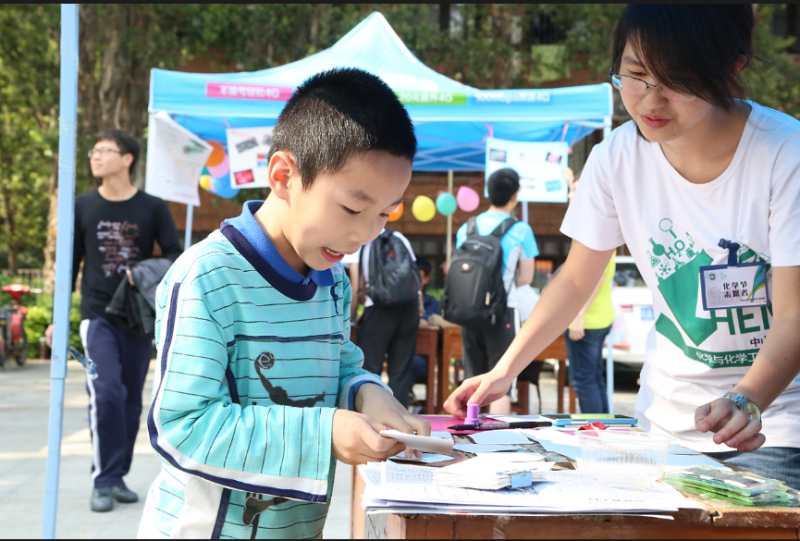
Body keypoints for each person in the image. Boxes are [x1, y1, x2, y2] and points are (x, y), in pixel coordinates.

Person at [445, 4, 800, 489]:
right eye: (635, 75)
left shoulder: (784, 153)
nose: (651, 100)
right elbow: (574, 278)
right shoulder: (615, 158)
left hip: (774, 428)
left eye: (678, 80)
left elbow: (795, 311)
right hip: (664, 430)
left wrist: (747, 398)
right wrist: (505, 371)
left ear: (730, 69)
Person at [137, 68, 430, 539]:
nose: (364, 235)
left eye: (384, 213)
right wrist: (324, 432)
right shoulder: (208, 277)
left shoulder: (331, 278)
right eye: (353, 209)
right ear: (283, 175)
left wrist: (364, 391)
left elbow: (339, 364)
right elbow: (183, 427)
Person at [45, 129, 183, 512]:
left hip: (137, 317)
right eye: (95, 150)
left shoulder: (152, 207)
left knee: (130, 402)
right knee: (105, 393)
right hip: (97, 315)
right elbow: (69, 265)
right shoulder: (82, 205)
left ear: (127, 159)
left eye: (105, 150)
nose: (96, 155)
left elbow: (176, 255)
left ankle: (117, 474)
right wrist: (61, 318)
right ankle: (102, 481)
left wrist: (143, 271)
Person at [454, 168, 537, 415]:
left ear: (488, 193)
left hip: (469, 311)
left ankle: (470, 436)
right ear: (515, 196)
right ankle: (497, 442)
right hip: (503, 311)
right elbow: (527, 277)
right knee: (501, 381)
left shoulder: (466, 228)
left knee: (473, 378)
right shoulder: (521, 230)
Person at [564, 178, 616, 414]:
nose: (569, 196)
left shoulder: (589, 230)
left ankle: (596, 433)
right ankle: (605, 430)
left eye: (574, 191)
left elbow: (597, 277)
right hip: (599, 316)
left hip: (589, 318)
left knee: (584, 380)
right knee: (593, 378)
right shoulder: (599, 225)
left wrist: (578, 315)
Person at [357, 229, 420, 409]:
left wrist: (352, 316)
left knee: (369, 369)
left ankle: (372, 419)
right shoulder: (399, 237)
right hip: (409, 307)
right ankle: (400, 424)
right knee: (400, 371)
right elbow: (413, 276)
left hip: (378, 308)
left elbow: (357, 283)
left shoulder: (360, 238)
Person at [411, 258, 441, 389]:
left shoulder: (434, 304)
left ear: (426, 279)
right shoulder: (401, 303)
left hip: (424, 357)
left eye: (419, 276)